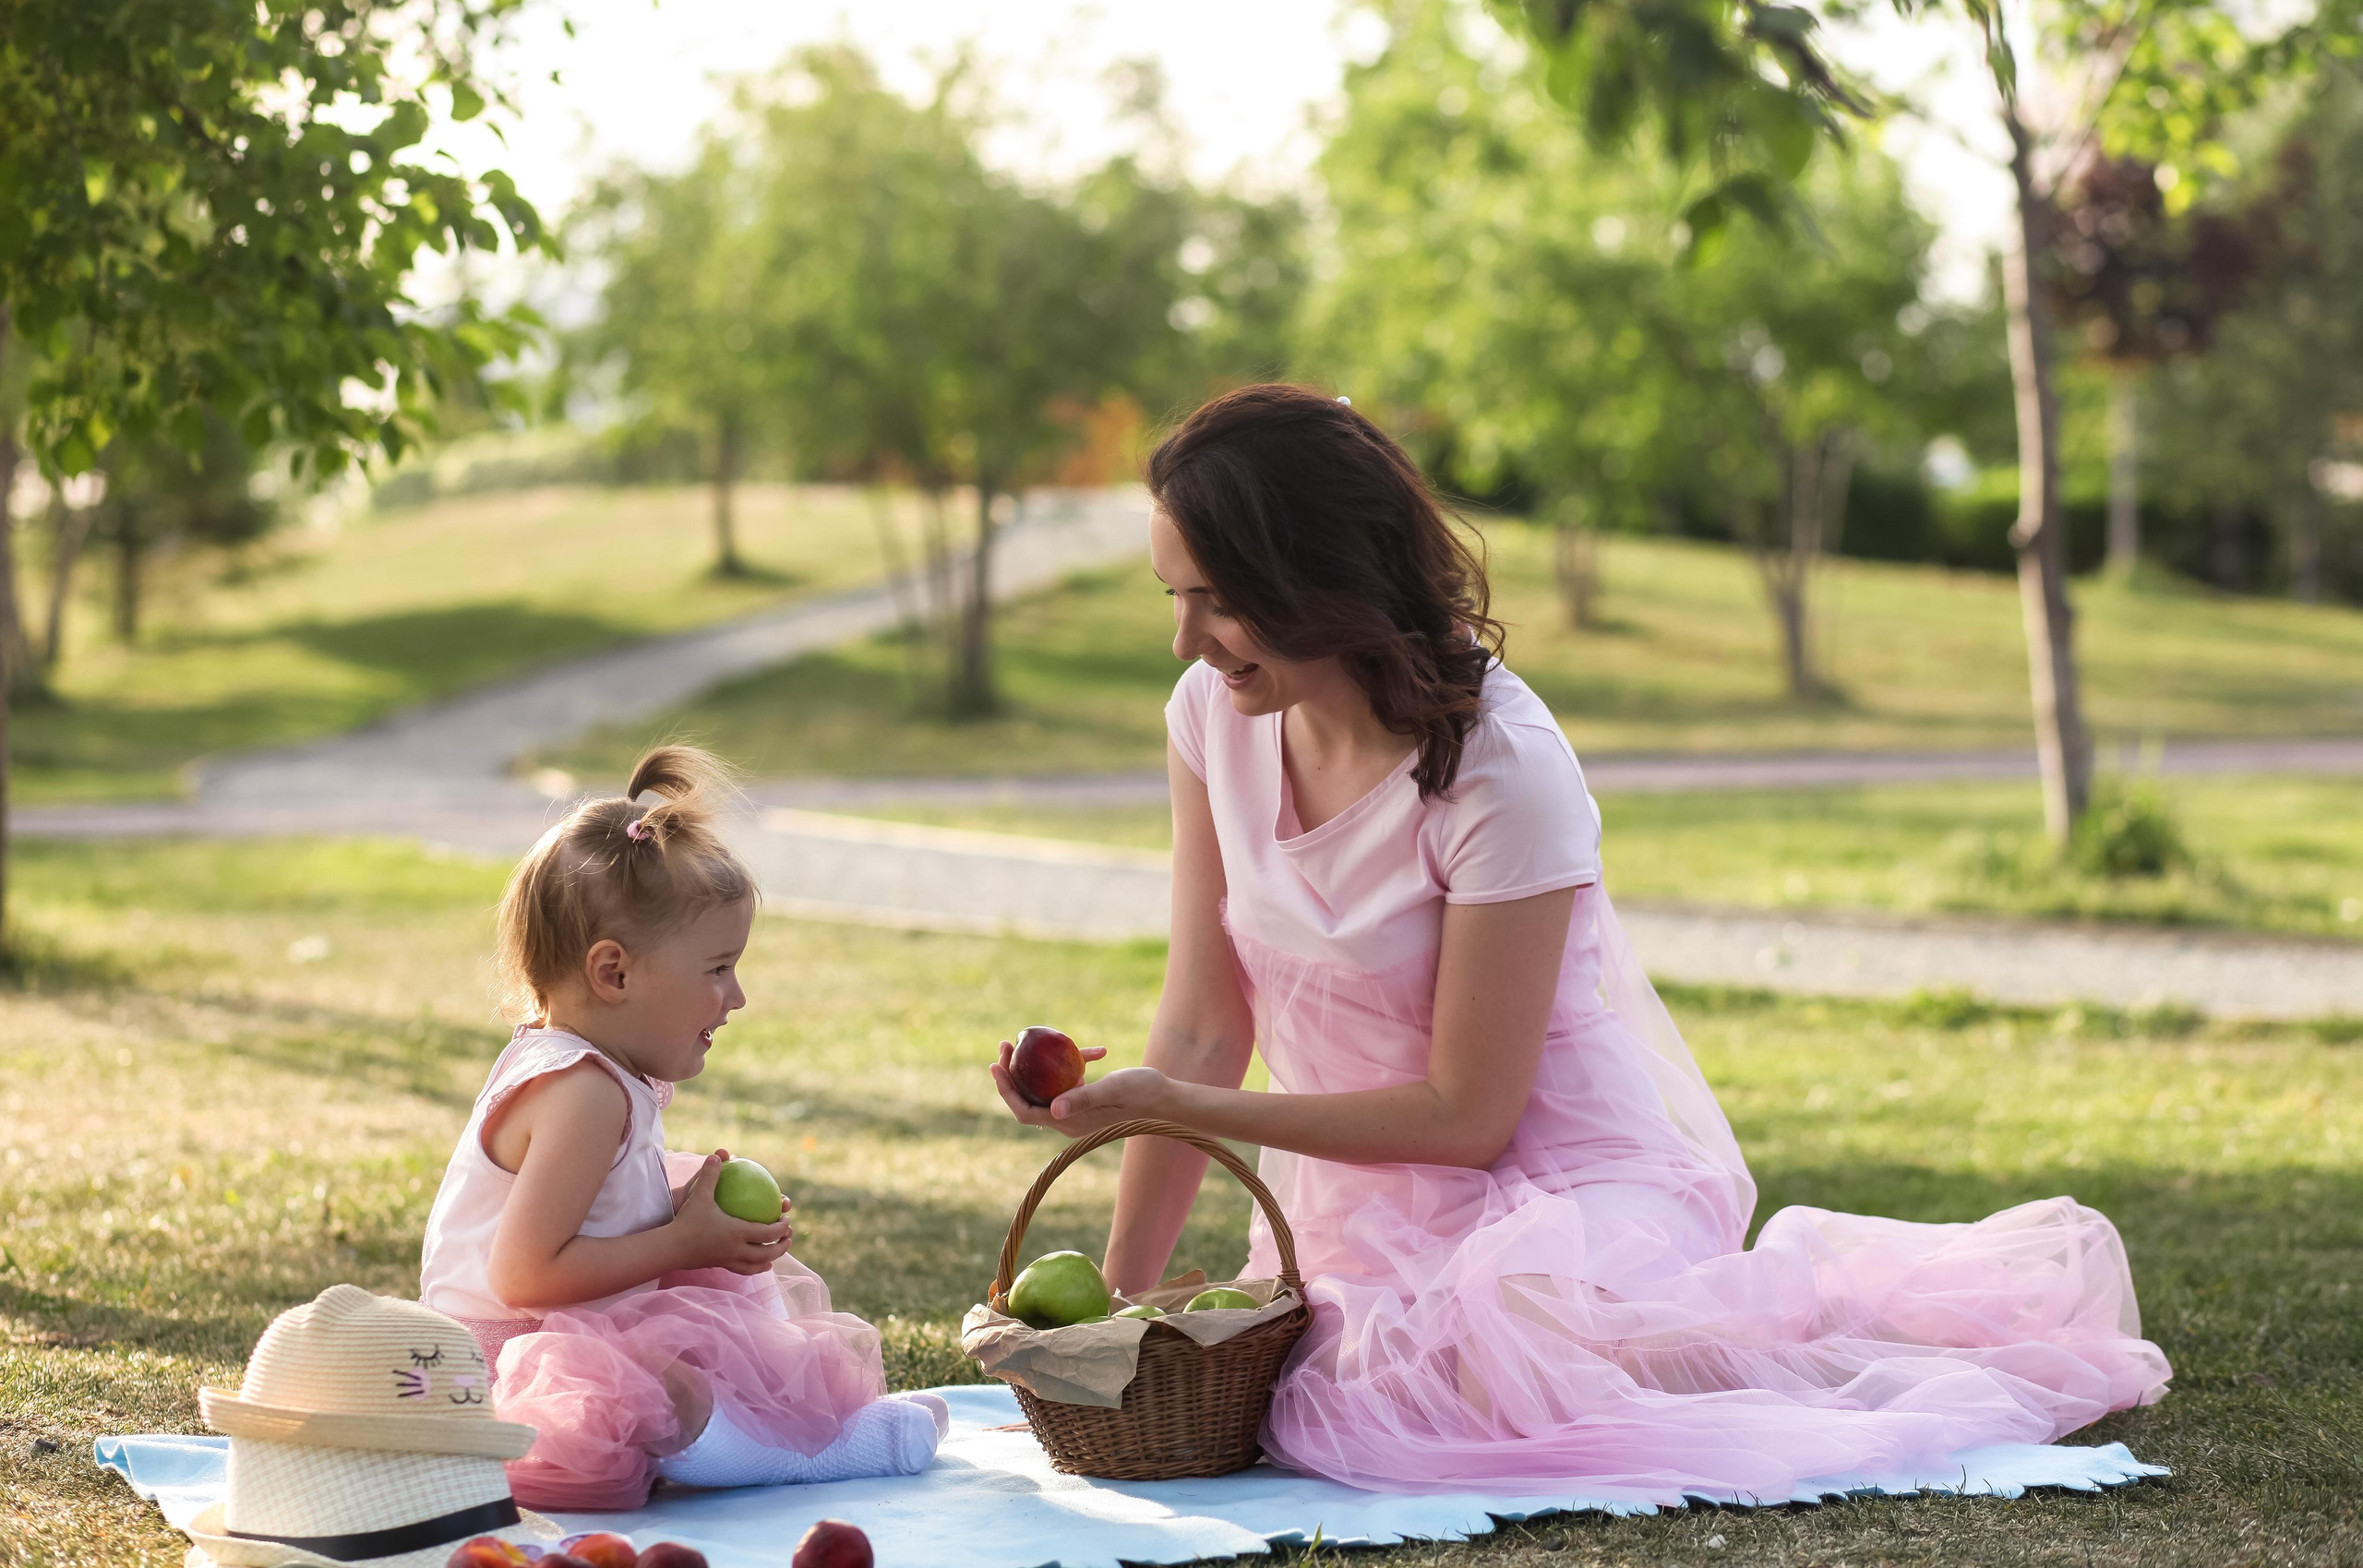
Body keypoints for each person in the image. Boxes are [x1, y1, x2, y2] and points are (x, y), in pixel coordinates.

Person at [991, 383, 2171, 1503]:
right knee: (1333, 1388)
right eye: (1173, 597)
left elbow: (1467, 1118)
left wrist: (1184, 1108)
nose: (1186, 640)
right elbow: (1204, 1026)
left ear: (1318, 573)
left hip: (1568, 1190)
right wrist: (1112, 1317)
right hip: (1363, 1214)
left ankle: (1782, 1333)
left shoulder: (1499, 766)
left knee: (1467, 1381)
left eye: (1216, 599)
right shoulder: (1211, 718)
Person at [420, 745, 944, 1511]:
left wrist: (683, 1218)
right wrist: (680, 1243)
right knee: (668, 1389)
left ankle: (778, 1433)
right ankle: (800, 1455)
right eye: (718, 968)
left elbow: (590, 1218)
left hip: (562, 1334)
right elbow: (523, 1277)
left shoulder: (591, 1071)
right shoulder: (582, 1093)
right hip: (517, 1365)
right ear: (614, 973)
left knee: (707, 1334)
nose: (737, 996)